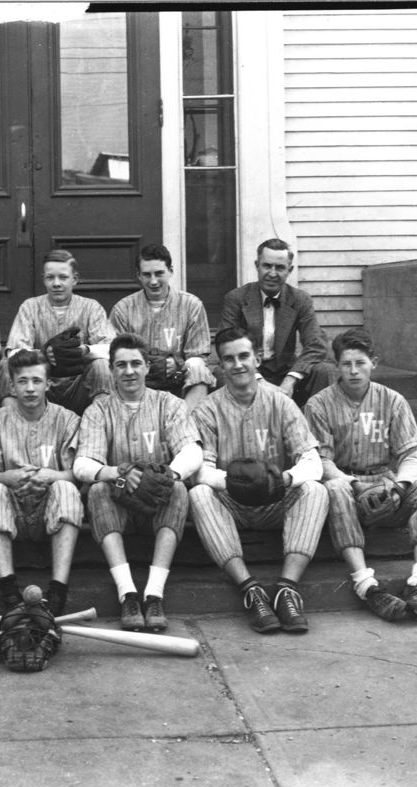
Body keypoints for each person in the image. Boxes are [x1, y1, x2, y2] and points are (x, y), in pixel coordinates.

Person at [188, 327, 329, 634]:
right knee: (199, 493)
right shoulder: (207, 409)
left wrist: (284, 479)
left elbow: (312, 462)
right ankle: (250, 589)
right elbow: (200, 470)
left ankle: (287, 589)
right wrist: (235, 482)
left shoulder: (281, 402)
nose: (238, 365)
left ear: (257, 358)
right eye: (229, 359)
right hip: (232, 504)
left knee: (315, 490)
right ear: (220, 366)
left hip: (274, 500)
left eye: (243, 356)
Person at [304, 328, 417, 622]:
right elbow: (321, 460)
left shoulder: (393, 400)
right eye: (346, 364)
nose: (354, 371)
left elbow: (411, 455)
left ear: (374, 362)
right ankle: (367, 585)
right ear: (337, 367)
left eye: (360, 363)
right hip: (346, 487)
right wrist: (351, 483)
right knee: (333, 488)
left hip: (386, 485)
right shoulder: (318, 404)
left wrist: (399, 486)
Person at [73, 333, 203, 632]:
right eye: (121, 365)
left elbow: (192, 450)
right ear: (111, 369)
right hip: (119, 506)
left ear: (147, 367)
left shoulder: (168, 403)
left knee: (180, 487)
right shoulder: (98, 409)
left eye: (135, 364)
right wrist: (117, 472)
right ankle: (128, 593)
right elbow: (82, 464)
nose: (128, 371)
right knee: (96, 490)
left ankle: (154, 593)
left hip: (157, 502)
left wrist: (170, 475)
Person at [0, 350, 82, 616]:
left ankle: (58, 590)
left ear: (48, 383)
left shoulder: (68, 419)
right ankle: (9, 591)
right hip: (10, 511)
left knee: (66, 488)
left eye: (37, 381)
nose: (30, 388)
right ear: (12, 386)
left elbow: (76, 473)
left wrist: (52, 476)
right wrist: (7, 477)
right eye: (22, 381)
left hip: (51, 509)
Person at [219, 238, 337, 407]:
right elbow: (226, 342)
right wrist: (258, 380)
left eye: (280, 268)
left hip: (286, 372)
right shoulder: (236, 298)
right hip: (248, 370)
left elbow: (316, 345)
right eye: (267, 266)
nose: (272, 273)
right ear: (257, 266)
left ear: (290, 270)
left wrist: (291, 380)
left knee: (325, 371)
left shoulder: (299, 299)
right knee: (221, 373)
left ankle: (316, 427)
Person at [1, 249, 113, 415]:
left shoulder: (91, 307)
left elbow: (111, 348)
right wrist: (45, 353)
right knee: (7, 366)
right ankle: (10, 426)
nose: (56, 283)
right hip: (42, 383)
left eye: (63, 277)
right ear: (43, 279)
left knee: (101, 366)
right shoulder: (30, 307)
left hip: (79, 384)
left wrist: (83, 350)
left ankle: (101, 425)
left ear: (75, 279)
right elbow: (14, 351)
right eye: (50, 277)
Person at [109, 243, 214, 414]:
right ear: (138, 276)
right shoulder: (123, 309)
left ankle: (183, 425)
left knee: (199, 371)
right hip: (140, 377)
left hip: (178, 379)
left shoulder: (191, 305)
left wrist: (178, 364)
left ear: (171, 271)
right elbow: (116, 355)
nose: (153, 281)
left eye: (159, 273)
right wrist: (153, 364)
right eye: (146, 275)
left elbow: (198, 355)